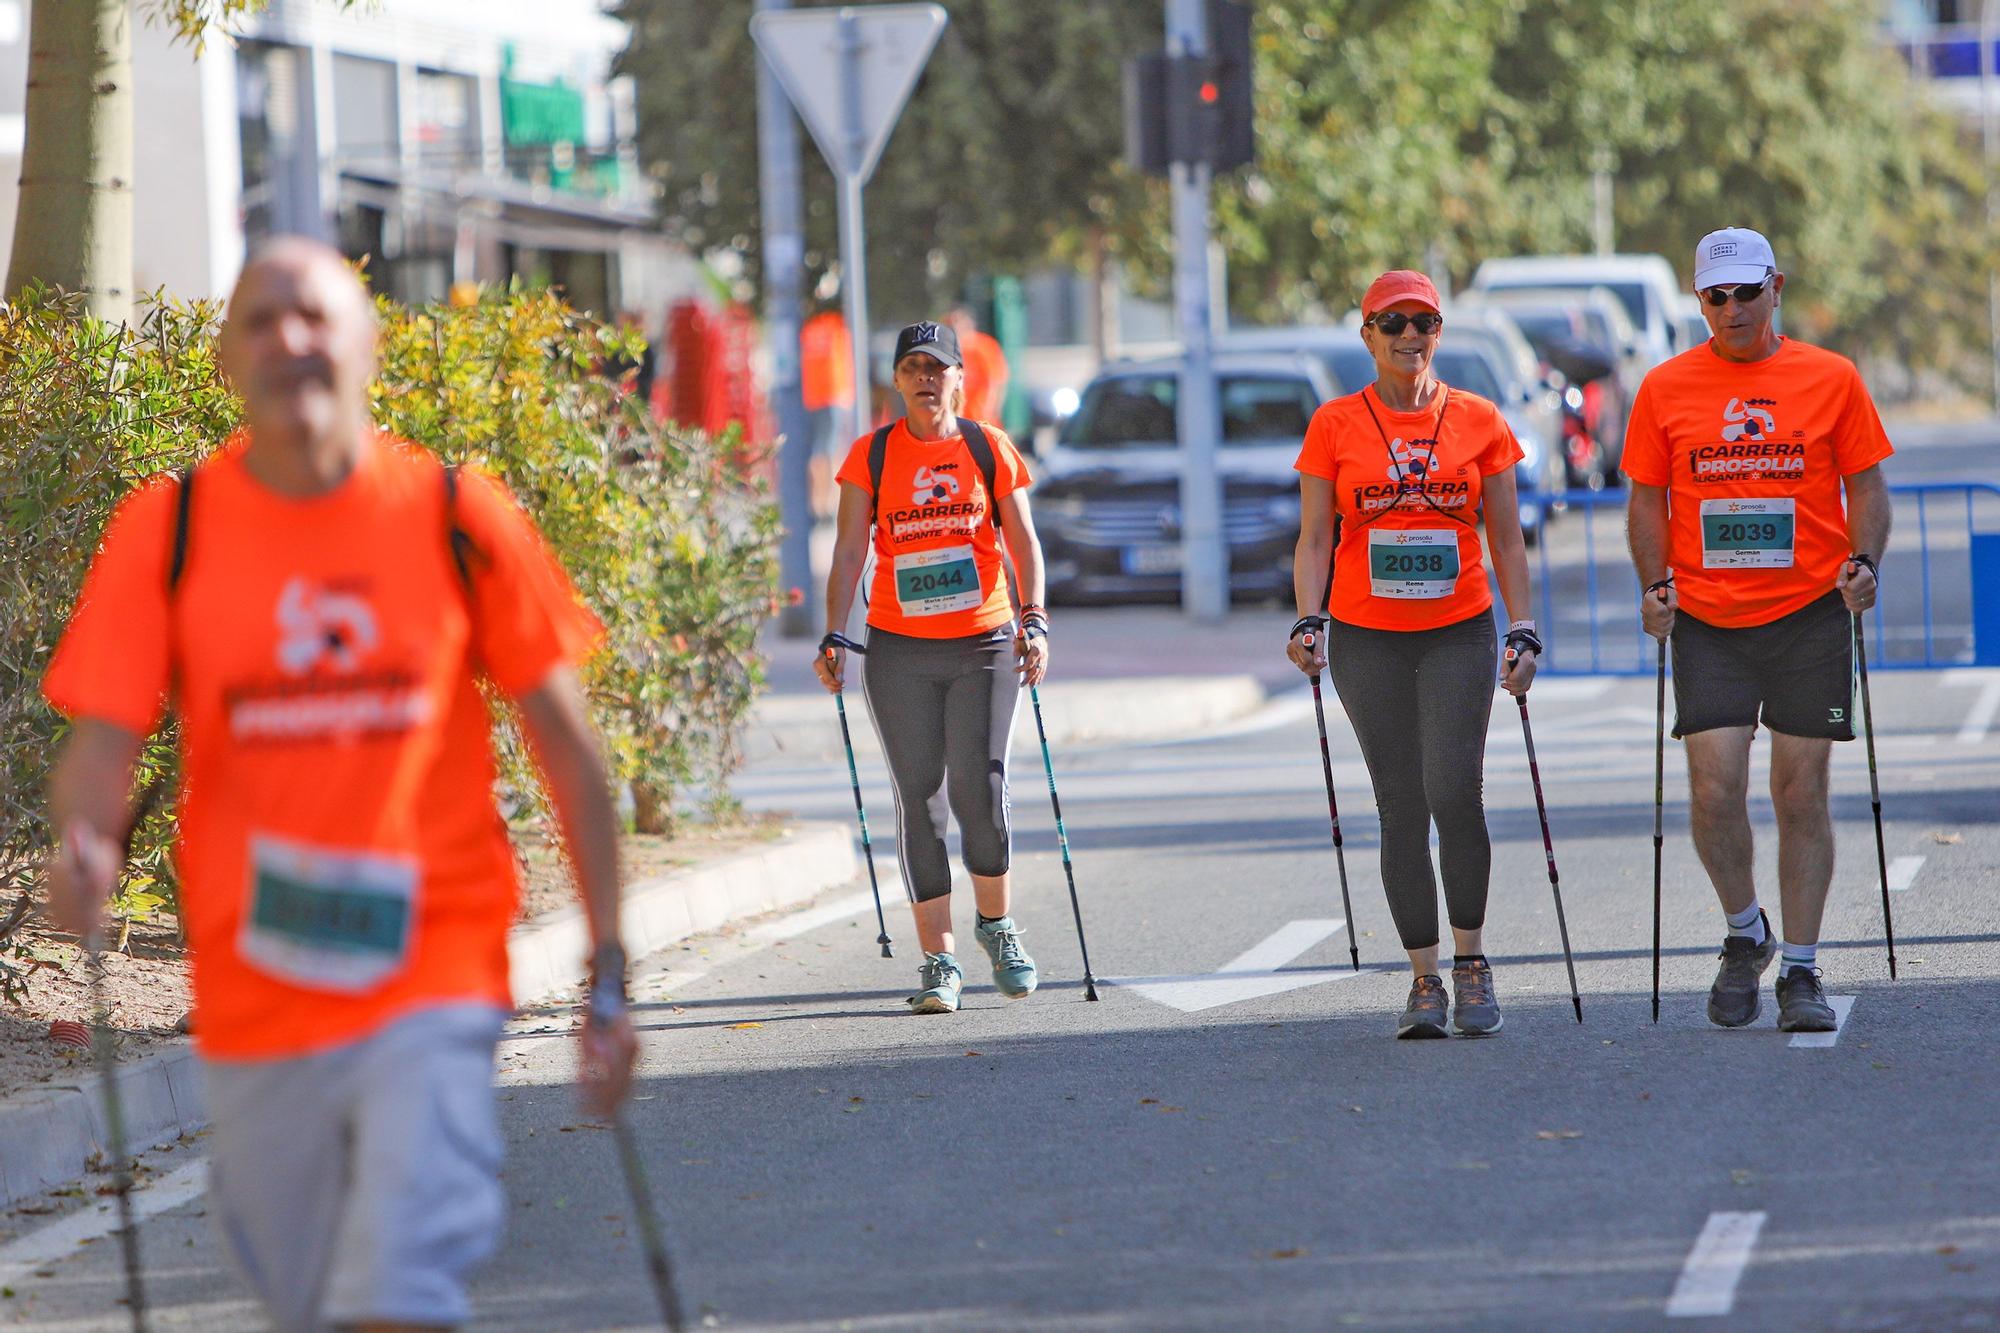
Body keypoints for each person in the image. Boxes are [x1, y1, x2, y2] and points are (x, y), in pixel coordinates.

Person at [42, 237, 638, 1332]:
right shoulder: (165, 533)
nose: (291, 339)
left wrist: (607, 969)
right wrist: (79, 848)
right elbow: (97, 753)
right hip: (256, 996)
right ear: (227, 359)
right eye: (262, 321)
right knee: (304, 1293)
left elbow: (570, 754)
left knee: (401, 1282)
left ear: (368, 345)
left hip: (435, 971)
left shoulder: (457, 516)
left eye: (316, 315)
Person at [1623, 226, 1892, 1033]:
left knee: (1800, 791)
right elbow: (1646, 500)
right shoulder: (1665, 387)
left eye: (1746, 291)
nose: (1732, 308)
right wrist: (1653, 587)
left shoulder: (1831, 378)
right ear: (1699, 299)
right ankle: (1748, 932)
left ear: (1776, 286)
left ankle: (1802, 969)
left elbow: (1868, 488)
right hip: (1709, 617)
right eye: (1716, 296)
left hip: (1810, 609)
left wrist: (1865, 562)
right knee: (1714, 790)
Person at [1288, 270, 1541, 1040]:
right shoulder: (1334, 423)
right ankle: (1424, 978)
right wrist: (1308, 618)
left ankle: (1471, 962)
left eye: (1423, 322)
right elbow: (1314, 538)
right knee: (1400, 805)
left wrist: (1522, 628)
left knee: (1454, 791)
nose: (1409, 336)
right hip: (1368, 639)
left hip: (1458, 628)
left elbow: (1505, 537)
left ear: (1439, 332)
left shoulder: (1479, 419)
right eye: (1392, 322)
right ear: (1366, 334)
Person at [815, 319, 1049, 1015]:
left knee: (980, 789)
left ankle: (997, 925)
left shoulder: (988, 448)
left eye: (937, 367)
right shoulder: (873, 456)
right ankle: (939, 962)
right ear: (897, 379)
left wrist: (1034, 620)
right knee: (919, 799)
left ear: (959, 378)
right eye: (912, 366)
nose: (925, 378)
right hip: (899, 650)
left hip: (983, 644)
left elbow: (1025, 544)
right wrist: (835, 636)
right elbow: (849, 551)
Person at [801, 303, 855, 516]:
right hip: (834, 396)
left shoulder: (808, 330)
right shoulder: (836, 326)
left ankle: (817, 503)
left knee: (817, 452)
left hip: (812, 398)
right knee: (831, 451)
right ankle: (829, 503)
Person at [946, 306, 1010, 425]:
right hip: (957, 418)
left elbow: (997, 381)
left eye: (957, 321)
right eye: (950, 323)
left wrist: (992, 409)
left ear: (968, 322)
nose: (954, 326)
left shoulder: (984, 346)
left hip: (981, 417)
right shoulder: (947, 350)